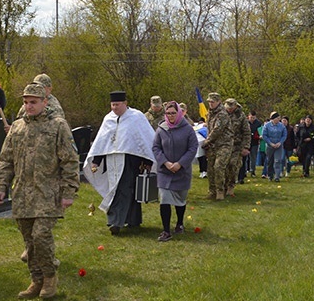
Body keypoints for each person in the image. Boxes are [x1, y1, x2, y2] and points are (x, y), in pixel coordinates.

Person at [0, 83, 79, 299]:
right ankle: (36, 279)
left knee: (41, 235)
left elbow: (69, 160)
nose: (29, 106)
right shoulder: (17, 127)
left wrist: (69, 191)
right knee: (29, 241)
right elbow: (5, 160)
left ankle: (50, 277)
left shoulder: (58, 126)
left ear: (45, 102)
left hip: (48, 193)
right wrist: (1, 186)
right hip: (23, 194)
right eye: (26, 102)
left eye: (33, 102)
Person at [83, 91, 157, 235]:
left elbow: (144, 140)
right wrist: (96, 162)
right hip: (112, 161)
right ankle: (131, 220)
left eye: (117, 105)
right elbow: (103, 142)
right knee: (117, 189)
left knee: (125, 189)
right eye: (112, 105)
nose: (114, 108)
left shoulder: (136, 117)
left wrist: (147, 160)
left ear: (125, 103)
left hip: (131, 160)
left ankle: (116, 222)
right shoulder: (108, 119)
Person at [152, 101, 198, 241]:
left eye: (173, 113)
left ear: (178, 113)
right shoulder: (161, 129)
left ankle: (179, 223)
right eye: (168, 113)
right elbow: (156, 147)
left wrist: (180, 163)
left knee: (180, 199)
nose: (170, 116)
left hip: (181, 172)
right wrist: (165, 162)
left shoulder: (187, 129)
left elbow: (193, 148)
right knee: (164, 199)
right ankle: (166, 231)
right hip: (165, 171)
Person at [199, 92, 233, 200]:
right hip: (213, 145)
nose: (210, 104)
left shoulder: (222, 114)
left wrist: (207, 141)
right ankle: (212, 191)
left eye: (212, 102)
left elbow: (217, 129)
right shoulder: (210, 113)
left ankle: (220, 191)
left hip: (224, 144)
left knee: (219, 166)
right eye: (209, 102)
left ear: (218, 102)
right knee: (210, 168)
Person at [225, 98, 248, 195]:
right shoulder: (222, 114)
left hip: (237, 146)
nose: (230, 109)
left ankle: (231, 185)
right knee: (223, 166)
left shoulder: (241, 116)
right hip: (224, 145)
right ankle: (223, 186)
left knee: (233, 165)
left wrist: (246, 147)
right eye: (228, 107)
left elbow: (246, 132)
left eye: (231, 107)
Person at [262, 111, 288, 182]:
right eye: (277, 118)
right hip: (270, 146)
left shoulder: (281, 126)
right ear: (273, 119)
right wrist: (270, 143)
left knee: (278, 161)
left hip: (278, 146)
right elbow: (264, 135)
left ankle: (277, 176)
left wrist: (280, 142)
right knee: (270, 161)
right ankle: (270, 175)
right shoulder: (267, 126)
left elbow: (284, 135)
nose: (278, 120)